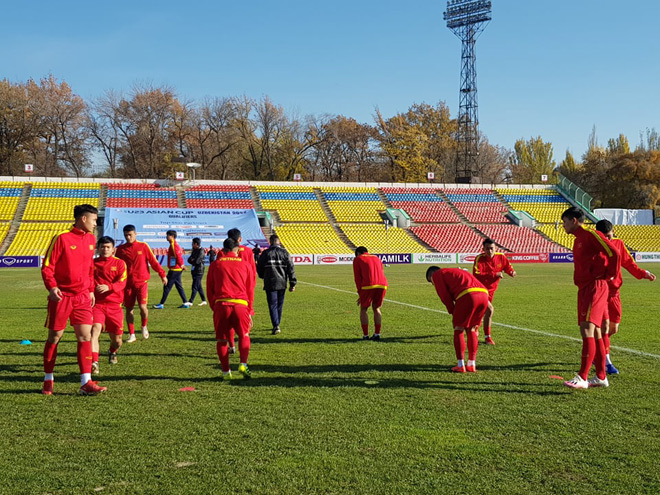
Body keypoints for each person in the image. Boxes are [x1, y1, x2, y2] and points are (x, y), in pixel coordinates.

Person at [40, 204, 107, 395]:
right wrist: (52, 287)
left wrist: (91, 289)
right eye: (94, 220)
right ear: (83, 219)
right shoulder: (61, 238)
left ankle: (86, 382)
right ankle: (48, 379)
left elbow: (89, 269)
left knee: (85, 336)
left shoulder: (91, 239)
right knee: (55, 337)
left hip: (83, 297)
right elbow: (47, 267)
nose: (96, 224)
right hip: (62, 296)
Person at [561, 207, 619, 389]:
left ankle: (583, 377)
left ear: (574, 220)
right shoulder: (579, 239)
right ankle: (601, 376)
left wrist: (609, 274)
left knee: (587, 330)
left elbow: (614, 253)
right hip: (586, 288)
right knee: (596, 332)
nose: (563, 226)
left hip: (594, 287)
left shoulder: (590, 235)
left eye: (565, 222)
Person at [595, 219, 655, 375]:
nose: (608, 240)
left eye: (609, 236)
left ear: (613, 232)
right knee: (605, 327)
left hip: (614, 293)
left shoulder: (619, 244)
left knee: (613, 328)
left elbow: (629, 263)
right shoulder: (594, 247)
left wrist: (643, 274)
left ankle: (596, 346)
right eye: (604, 237)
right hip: (600, 292)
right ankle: (606, 361)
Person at [206, 238, 254, 379]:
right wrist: (250, 310)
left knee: (221, 340)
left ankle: (226, 372)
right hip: (240, 304)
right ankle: (243, 364)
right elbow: (250, 289)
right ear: (237, 249)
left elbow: (210, 289)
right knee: (244, 335)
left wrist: (214, 307)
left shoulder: (215, 265)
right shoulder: (245, 264)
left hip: (221, 304)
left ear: (223, 249)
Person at [426, 266, 489, 373]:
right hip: (484, 294)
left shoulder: (437, 275)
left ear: (431, 275)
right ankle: (472, 364)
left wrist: (452, 311)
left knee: (458, 329)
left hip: (468, 295)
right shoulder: (453, 271)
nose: (433, 284)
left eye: (431, 282)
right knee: (472, 329)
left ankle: (461, 365)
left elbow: (444, 296)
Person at [115, 224, 168, 342]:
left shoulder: (143, 246)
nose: (128, 237)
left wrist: (162, 274)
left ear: (135, 234)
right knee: (129, 309)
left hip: (141, 283)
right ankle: (132, 334)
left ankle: (144, 326)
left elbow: (153, 262)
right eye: (126, 235)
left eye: (130, 235)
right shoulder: (121, 249)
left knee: (143, 307)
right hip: (127, 284)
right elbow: (116, 265)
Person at [91, 236, 127, 373]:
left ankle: (112, 351)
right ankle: (94, 362)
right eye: (102, 247)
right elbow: (88, 279)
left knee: (117, 340)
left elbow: (122, 281)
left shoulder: (120, 264)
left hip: (115, 305)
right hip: (97, 305)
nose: (105, 249)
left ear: (113, 249)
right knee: (95, 331)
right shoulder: (92, 263)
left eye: (108, 247)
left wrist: (109, 287)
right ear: (98, 248)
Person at [472, 238, 516, 345]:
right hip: (479, 289)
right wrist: (494, 274)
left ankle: (475, 328)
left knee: (483, 312)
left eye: (491, 248)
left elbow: (507, 267)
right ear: (483, 249)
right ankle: (487, 337)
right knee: (490, 310)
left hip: (491, 291)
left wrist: (511, 272)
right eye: (487, 249)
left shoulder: (501, 257)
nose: (490, 251)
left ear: (495, 248)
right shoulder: (479, 259)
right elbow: (476, 274)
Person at [257, 234, 297, 335]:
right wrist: (292, 283)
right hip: (282, 282)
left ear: (270, 242)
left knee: (272, 305)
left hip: (270, 282)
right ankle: (277, 323)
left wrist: (262, 276)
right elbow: (291, 269)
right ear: (278, 242)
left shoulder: (266, 253)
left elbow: (259, 267)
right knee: (279, 305)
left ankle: (276, 325)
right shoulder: (285, 253)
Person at [226, 228, 256, 350]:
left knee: (228, 320)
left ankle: (231, 345)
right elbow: (252, 273)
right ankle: (242, 350)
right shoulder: (248, 251)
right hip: (243, 289)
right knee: (243, 318)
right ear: (240, 239)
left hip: (227, 289)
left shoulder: (222, 253)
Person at [352, 246, 388, 340]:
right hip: (382, 284)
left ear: (358, 253)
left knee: (363, 309)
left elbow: (357, 278)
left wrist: (360, 294)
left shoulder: (358, 259)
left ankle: (365, 335)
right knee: (376, 308)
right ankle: (377, 334)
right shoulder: (376, 257)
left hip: (368, 285)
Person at [153, 230, 190, 309]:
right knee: (179, 286)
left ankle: (161, 304)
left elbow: (178, 256)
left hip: (175, 270)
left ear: (172, 236)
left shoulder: (174, 245)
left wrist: (182, 265)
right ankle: (186, 303)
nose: (166, 237)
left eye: (167, 235)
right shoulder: (173, 244)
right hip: (177, 269)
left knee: (167, 286)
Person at [187, 237, 207, 306]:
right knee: (199, 286)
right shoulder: (194, 250)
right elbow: (189, 260)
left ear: (196, 244)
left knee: (194, 286)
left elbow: (197, 261)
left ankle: (191, 301)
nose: (192, 244)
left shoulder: (201, 251)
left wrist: (193, 260)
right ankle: (204, 300)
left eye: (193, 243)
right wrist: (193, 260)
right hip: (194, 270)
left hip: (199, 270)